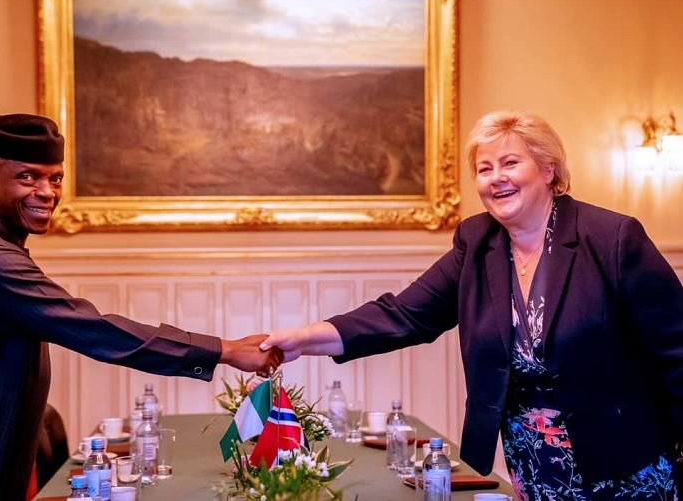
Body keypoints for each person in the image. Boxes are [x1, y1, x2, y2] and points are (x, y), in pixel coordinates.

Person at [261, 111, 683, 500]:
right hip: (533, 462)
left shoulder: (611, 238)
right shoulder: (477, 242)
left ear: (549, 169)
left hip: (625, 462)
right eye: (485, 169)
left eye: (510, 163)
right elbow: (405, 314)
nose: (496, 178)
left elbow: (676, 350)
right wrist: (305, 338)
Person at [0, 114, 282, 500]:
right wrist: (224, 350)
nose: (46, 192)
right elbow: (94, 329)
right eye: (27, 177)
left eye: (55, 178)